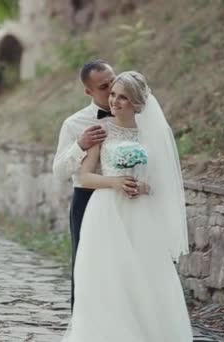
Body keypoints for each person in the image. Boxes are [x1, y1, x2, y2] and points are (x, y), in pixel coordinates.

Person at [61, 71, 192, 341]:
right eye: (112, 95)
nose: (115, 101)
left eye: (123, 97)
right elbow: (85, 177)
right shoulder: (102, 130)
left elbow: (161, 179)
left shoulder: (152, 134)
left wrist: (143, 186)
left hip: (140, 212)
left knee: (145, 276)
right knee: (106, 276)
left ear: (136, 103)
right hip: (105, 211)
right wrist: (115, 182)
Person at [53, 60, 138, 310]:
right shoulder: (74, 124)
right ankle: (84, 324)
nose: (112, 87)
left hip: (128, 198)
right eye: (104, 86)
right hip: (88, 199)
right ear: (88, 91)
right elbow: (58, 171)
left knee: (126, 265)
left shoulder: (135, 114)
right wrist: (80, 145)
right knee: (86, 265)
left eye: (113, 79)